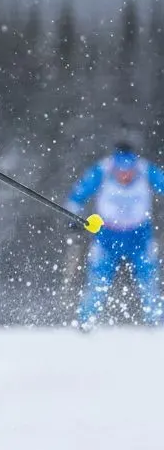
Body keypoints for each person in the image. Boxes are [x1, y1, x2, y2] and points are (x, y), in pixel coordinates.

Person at [67, 140, 164, 330]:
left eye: (129, 171)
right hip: (107, 236)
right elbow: (78, 194)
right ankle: (85, 322)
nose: (124, 176)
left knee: (149, 280)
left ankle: (156, 323)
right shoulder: (102, 170)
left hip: (140, 236)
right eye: (120, 171)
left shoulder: (145, 170)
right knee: (98, 280)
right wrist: (73, 214)